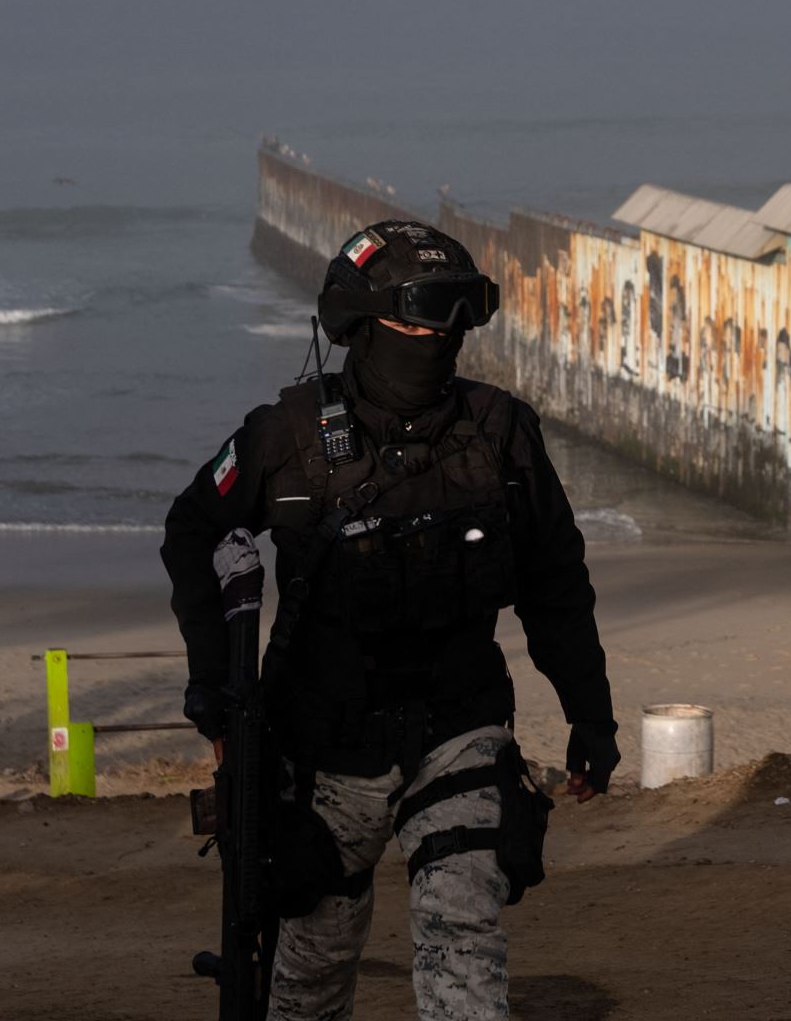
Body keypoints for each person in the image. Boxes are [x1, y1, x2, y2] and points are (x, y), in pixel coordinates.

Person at [162, 218, 620, 1021]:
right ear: (359, 321)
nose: (436, 337)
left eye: (455, 318)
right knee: (312, 964)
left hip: (461, 728)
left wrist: (592, 717)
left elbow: (557, 584)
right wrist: (214, 690)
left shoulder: (503, 434)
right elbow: (193, 531)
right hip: (321, 741)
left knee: (463, 937)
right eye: (416, 317)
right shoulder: (289, 435)